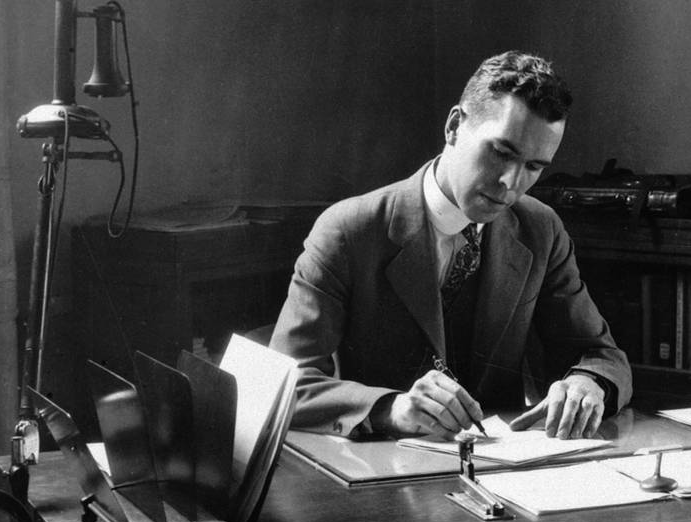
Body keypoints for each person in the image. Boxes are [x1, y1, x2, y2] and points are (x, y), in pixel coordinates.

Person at [270, 50, 631, 442]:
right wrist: (392, 408)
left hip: (501, 475)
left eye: (534, 167)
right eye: (501, 152)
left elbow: (602, 355)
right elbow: (287, 384)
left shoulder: (541, 229)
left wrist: (588, 384)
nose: (511, 182)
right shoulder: (348, 230)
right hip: (378, 471)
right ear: (455, 126)